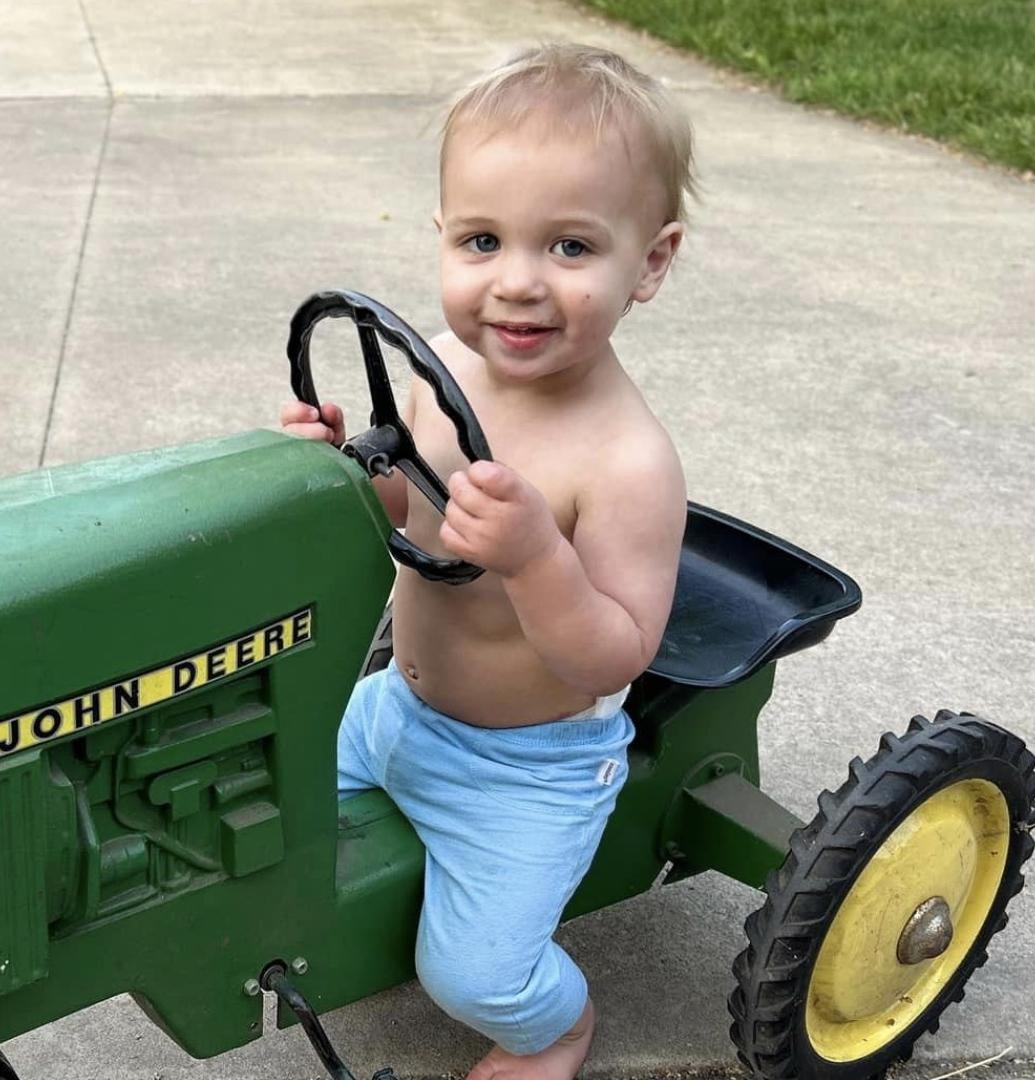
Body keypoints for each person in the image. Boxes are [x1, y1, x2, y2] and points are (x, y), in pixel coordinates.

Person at [282, 42, 693, 1080]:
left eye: (569, 246)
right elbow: (398, 508)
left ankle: (557, 1029)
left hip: (525, 768)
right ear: (442, 237)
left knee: (474, 975)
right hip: (394, 706)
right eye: (482, 239)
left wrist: (536, 557)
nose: (516, 282)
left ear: (650, 263)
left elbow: (614, 654)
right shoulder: (438, 368)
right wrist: (340, 469)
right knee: (265, 802)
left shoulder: (627, 460)